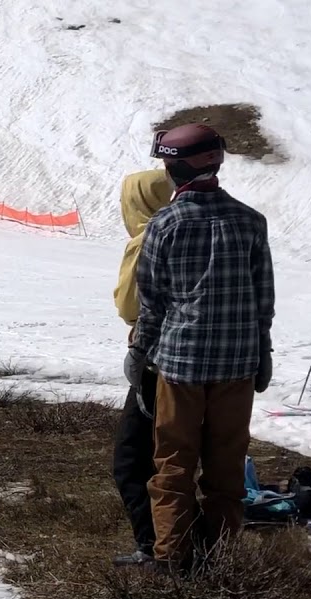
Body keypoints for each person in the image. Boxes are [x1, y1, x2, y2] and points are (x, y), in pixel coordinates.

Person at [127, 123, 275, 573]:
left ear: (178, 168)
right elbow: (263, 298)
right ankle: (220, 560)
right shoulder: (250, 221)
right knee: (226, 468)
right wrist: (263, 352)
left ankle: (172, 560)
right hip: (238, 366)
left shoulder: (164, 224)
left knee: (173, 464)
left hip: (181, 366)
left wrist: (138, 354)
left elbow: (152, 303)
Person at [110, 167, 172, 566]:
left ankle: (154, 545)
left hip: (154, 360)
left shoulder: (145, 242)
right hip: (190, 362)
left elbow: (129, 305)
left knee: (131, 458)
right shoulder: (180, 232)